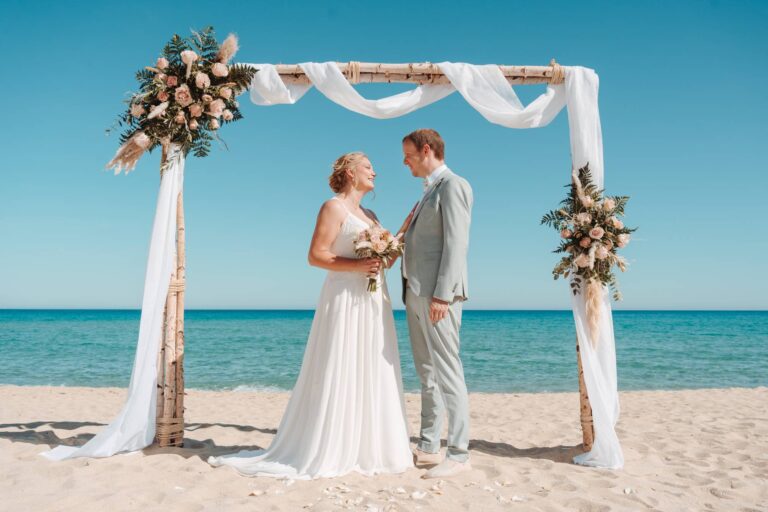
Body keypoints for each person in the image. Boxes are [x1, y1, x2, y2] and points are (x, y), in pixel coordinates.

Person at [208, 152, 415, 479]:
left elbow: (384, 261)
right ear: (350, 172)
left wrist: (402, 232)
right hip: (345, 297)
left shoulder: (371, 215)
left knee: (372, 365)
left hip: (373, 301)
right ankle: (332, 444)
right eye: (367, 166)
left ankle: (369, 446)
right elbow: (316, 256)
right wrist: (358, 266)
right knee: (341, 363)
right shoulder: (333, 207)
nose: (375, 171)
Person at [401, 129, 474, 479]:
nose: (405, 161)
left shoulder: (454, 185)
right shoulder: (427, 192)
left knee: (448, 371)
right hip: (414, 293)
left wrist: (443, 295)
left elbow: (456, 244)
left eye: (408, 154)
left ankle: (459, 452)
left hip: (437, 296)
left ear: (426, 150)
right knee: (426, 373)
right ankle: (429, 444)